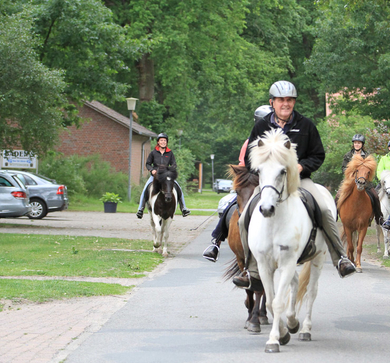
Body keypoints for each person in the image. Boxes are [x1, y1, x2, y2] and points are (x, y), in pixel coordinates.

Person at [233, 80, 357, 288]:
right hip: (269, 183)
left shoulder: (306, 125)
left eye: (290, 100)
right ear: (272, 102)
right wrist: (266, 172)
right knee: (243, 218)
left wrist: (302, 166)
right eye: (281, 100)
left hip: (300, 180)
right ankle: (250, 269)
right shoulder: (261, 126)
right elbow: (249, 161)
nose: (286, 104)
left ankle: (341, 258)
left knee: (325, 209)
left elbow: (318, 155)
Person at [202, 105, 274, 262]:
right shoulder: (249, 142)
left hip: (273, 184)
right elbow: (242, 166)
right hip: (253, 183)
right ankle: (216, 241)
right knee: (230, 205)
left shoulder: (277, 142)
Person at [136, 133, 190, 219]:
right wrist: (152, 170)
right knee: (145, 189)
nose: (163, 142)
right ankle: (140, 209)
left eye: (165, 140)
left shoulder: (170, 153)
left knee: (178, 188)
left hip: (166, 176)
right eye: (161, 140)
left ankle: (183, 208)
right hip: (155, 176)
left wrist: (169, 170)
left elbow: (174, 164)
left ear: (166, 142)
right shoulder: (153, 153)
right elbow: (148, 164)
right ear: (158, 142)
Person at [339, 134, 383, 225]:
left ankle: (379, 217)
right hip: (350, 182)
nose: (357, 145)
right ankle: (336, 214)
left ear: (362, 144)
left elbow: (371, 170)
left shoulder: (367, 156)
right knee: (338, 196)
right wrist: (352, 174)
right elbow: (343, 168)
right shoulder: (348, 155)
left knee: (375, 196)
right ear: (353, 144)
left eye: (359, 143)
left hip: (365, 182)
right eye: (355, 143)